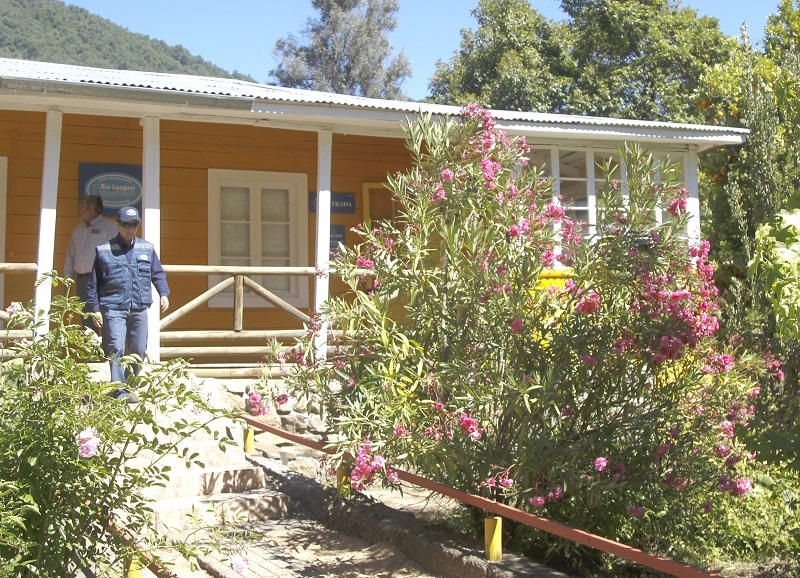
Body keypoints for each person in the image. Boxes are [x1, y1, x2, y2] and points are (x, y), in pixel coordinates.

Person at [86, 206, 170, 402]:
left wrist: (163, 293)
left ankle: (130, 387)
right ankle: (119, 389)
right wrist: (95, 310)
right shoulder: (104, 250)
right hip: (113, 307)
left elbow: (157, 273)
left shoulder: (147, 248)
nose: (130, 228)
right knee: (115, 346)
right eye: (126, 224)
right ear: (118, 224)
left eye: (133, 224)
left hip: (139, 307)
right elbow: (93, 283)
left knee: (139, 348)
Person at [63, 195, 118, 332]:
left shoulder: (110, 227)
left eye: (81, 205)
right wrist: (67, 281)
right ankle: (92, 353)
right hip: (82, 281)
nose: (78, 209)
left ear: (92, 208)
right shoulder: (77, 230)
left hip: (104, 281)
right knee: (87, 321)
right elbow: (71, 257)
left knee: (106, 319)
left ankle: (109, 353)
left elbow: (118, 255)